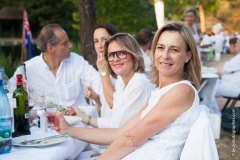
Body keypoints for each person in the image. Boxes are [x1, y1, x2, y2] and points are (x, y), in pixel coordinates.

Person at [49, 23, 202, 159]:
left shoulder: (181, 91)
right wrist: (68, 129)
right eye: (160, 48)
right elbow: (119, 133)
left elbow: (131, 139)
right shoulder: (161, 91)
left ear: (188, 55)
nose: (165, 55)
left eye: (174, 50)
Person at [68, 33, 154, 129]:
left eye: (122, 53)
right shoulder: (122, 81)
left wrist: (73, 129)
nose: (115, 59)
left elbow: (117, 128)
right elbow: (114, 119)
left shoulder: (137, 84)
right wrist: (82, 116)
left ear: (133, 55)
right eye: (111, 55)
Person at [10, 24, 101, 108]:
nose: (70, 45)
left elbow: (98, 82)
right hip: (41, 123)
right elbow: (8, 95)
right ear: (50, 48)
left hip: (79, 123)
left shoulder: (77, 62)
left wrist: (97, 104)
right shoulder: (27, 70)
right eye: (65, 43)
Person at [85, 22, 119, 118]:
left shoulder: (120, 67)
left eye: (104, 39)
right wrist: (95, 97)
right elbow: (105, 106)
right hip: (106, 125)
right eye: (96, 41)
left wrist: (103, 72)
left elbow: (113, 103)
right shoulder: (104, 66)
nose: (100, 45)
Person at [211, 37, 240, 115]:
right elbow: (227, 71)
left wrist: (228, 70)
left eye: (237, 43)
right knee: (209, 84)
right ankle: (213, 113)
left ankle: (216, 115)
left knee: (209, 89)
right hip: (229, 84)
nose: (236, 45)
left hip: (235, 88)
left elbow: (226, 68)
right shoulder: (237, 57)